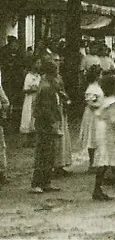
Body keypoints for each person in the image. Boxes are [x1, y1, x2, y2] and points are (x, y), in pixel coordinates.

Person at [30, 60, 61, 194]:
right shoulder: (46, 87)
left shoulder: (48, 84)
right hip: (45, 124)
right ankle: (37, 182)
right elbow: (46, 108)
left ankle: (46, 181)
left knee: (49, 153)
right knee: (43, 153)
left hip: (46, 122)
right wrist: (53, 122)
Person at [78, 65, 104, 173]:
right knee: (92, 137)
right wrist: (101, 105)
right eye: (100, 74)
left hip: (97, 114)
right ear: (97, 76)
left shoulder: (97, 86)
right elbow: (90, 103)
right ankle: (92, 163)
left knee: (96, 138)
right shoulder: (92, 88)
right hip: (93, 115)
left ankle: (95, 162)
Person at [20, 63, 41, 145]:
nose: (38, 65)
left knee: (35, 117)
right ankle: (25, 141)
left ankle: (34, 141)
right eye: (37, 63)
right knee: (27, 117)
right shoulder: (28, 76)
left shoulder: (39, 77)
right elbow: (24, 90)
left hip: (36, 99)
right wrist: (32, 89)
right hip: (29, 99)